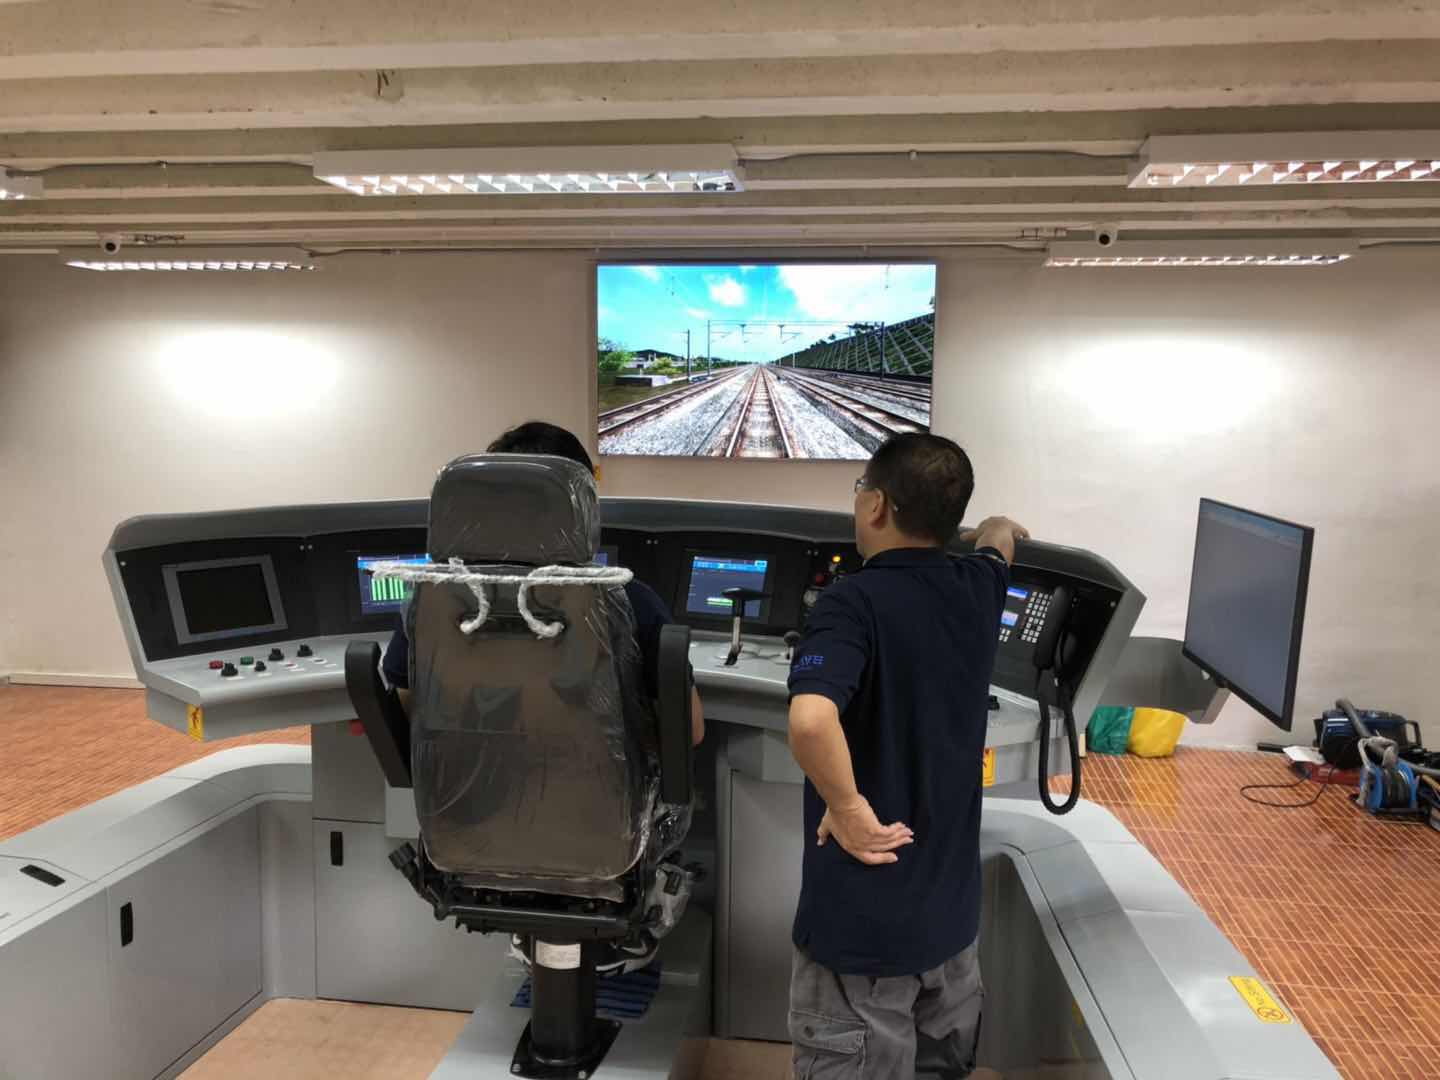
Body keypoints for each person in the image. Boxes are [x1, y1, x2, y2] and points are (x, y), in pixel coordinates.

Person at [785, 431, 1029, 1079]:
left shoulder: (850, 602)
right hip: (949, 925)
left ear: (876, 506)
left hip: (862, 934)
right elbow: (997, 547)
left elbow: (810, 720)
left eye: (860, 488)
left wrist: (848, 808)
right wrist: (998, 527)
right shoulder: (979, 587)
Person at [382, 420, 704, 745]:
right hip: (590, 777)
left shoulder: (434, 602)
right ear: (583, 506)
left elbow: (408, 714)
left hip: (460, 780)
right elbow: (690, 731)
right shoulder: (628, 600)